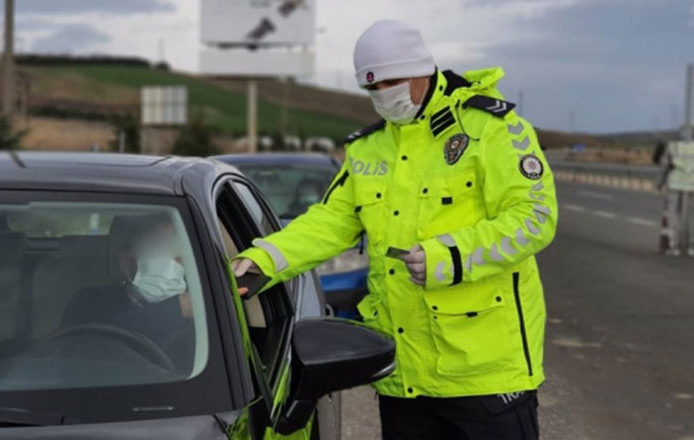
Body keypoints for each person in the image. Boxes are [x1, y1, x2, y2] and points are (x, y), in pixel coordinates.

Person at [231, 20, 557, 439]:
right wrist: (261, 260)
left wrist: (449, 257)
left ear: (423, 69)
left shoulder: (491, 130)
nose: (384, 95)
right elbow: (330, 222)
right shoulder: (368, 148)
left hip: (486, 374)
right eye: (373, 88)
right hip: (404, 376)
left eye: (393, 81)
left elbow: (535, 217)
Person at [62, 213, 194, 369]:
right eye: (162, 250)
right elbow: (92, 344)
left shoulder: (200, 313)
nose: (178, 262)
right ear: (126, 262)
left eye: (180, 253)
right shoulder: (89, 301)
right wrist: (177, 309)